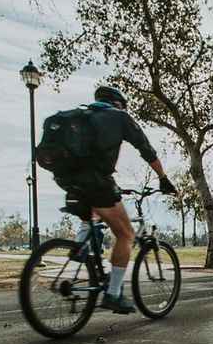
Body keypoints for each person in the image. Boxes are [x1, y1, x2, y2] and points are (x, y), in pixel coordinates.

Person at [53, 86, 176, 314]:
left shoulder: (81, 117)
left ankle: (83, 246)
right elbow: (146, 149)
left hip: (66, 179)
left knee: (96, 211)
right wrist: (163, 178)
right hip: (96, 181)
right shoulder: (119, 117)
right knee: (126, 234)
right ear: (118, 103)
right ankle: (113, 293)